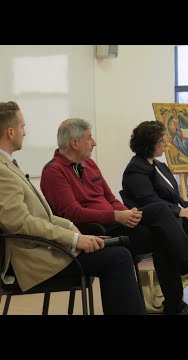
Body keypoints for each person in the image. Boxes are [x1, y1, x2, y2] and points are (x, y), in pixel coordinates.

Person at [40, 118, 188, 315]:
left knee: (162, 232)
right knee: (159, 212)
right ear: (75, 143)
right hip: (95, 231)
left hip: (115, 221)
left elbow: (109, 197)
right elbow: (73, 213)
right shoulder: (54, 171)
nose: (94, 142)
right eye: (89, 137)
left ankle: (178, 300)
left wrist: (126, 212)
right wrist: (116, 215)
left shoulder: (89, 164)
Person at [0, 101, 146, 315]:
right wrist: (75, 240)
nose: (25, 132)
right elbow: (20, 223)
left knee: (118, 251)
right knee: (119, 257)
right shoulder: (3, 170)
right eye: (22, 126)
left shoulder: (8, 164)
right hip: (32, 258)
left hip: (44, 247)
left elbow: (43, 215)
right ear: (10, 132)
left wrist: (71, 228)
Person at [122, 120, 188, 308]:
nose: (167, 144)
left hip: (172, 216)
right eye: (162, 141)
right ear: (149, 143)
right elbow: (150, 201)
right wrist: (181, 211)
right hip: (155, 222)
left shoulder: (161, 166)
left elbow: (175, 196)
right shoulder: (135, 169)